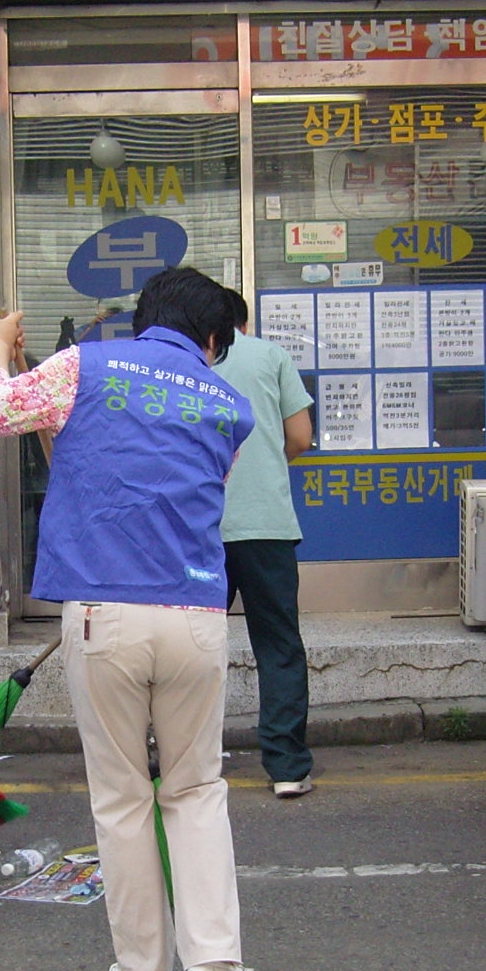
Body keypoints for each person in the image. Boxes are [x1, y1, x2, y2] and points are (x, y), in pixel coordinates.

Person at [0, 266, 259, 971]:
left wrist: (1, 345)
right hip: (195, 616)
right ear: (213, 337)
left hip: (104, 617)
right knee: (196, 787)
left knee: (124, 797)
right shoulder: (230, 405)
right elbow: (193, 492)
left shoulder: (84, 366)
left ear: (144, 318)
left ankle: (144, 970)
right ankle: (216, 957)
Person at [217, 288, 317, 798]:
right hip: (267, 526)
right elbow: (299, 437)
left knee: (194, 647)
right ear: (244, 321)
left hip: (199, 529)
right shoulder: (271, 356)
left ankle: (189, 757)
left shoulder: (185, 363)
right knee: (278, 645)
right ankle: (286, 766)